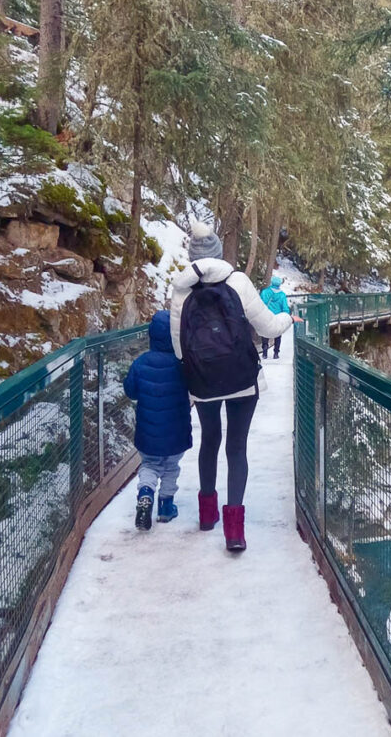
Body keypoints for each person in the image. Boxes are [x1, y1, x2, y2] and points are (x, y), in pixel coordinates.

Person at [170, 222, 297, 551]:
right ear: (218, 253)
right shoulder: (237, 282)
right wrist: (288, 318)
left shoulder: (181, 290)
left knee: (209, 441)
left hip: (203, 381)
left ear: (191, 257)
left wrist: (196, 373)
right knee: (236, 447)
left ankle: (207, 515)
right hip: (241, 378)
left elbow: (179, 346)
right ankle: (234, 532)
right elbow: (269, 327)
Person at [122, 311, 193, 531]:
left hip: (148, 431)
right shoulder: (181, 364)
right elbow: (192, 388)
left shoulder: (140, 363)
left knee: (150, 465)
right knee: (171, 467)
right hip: (176, 430)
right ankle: (165, 506)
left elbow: (131, 391)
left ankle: (145, 494)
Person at [258, 276, 290, 359]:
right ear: (279, 284)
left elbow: (261, 304)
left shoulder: (265, 292)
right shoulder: (282, 295)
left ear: (272, 282)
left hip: (267, 316)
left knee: (265, 332)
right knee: (278, 334)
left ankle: (264, 350)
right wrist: (286, 315)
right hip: (278, 317)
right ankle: (276, 353)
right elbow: (285, 307)